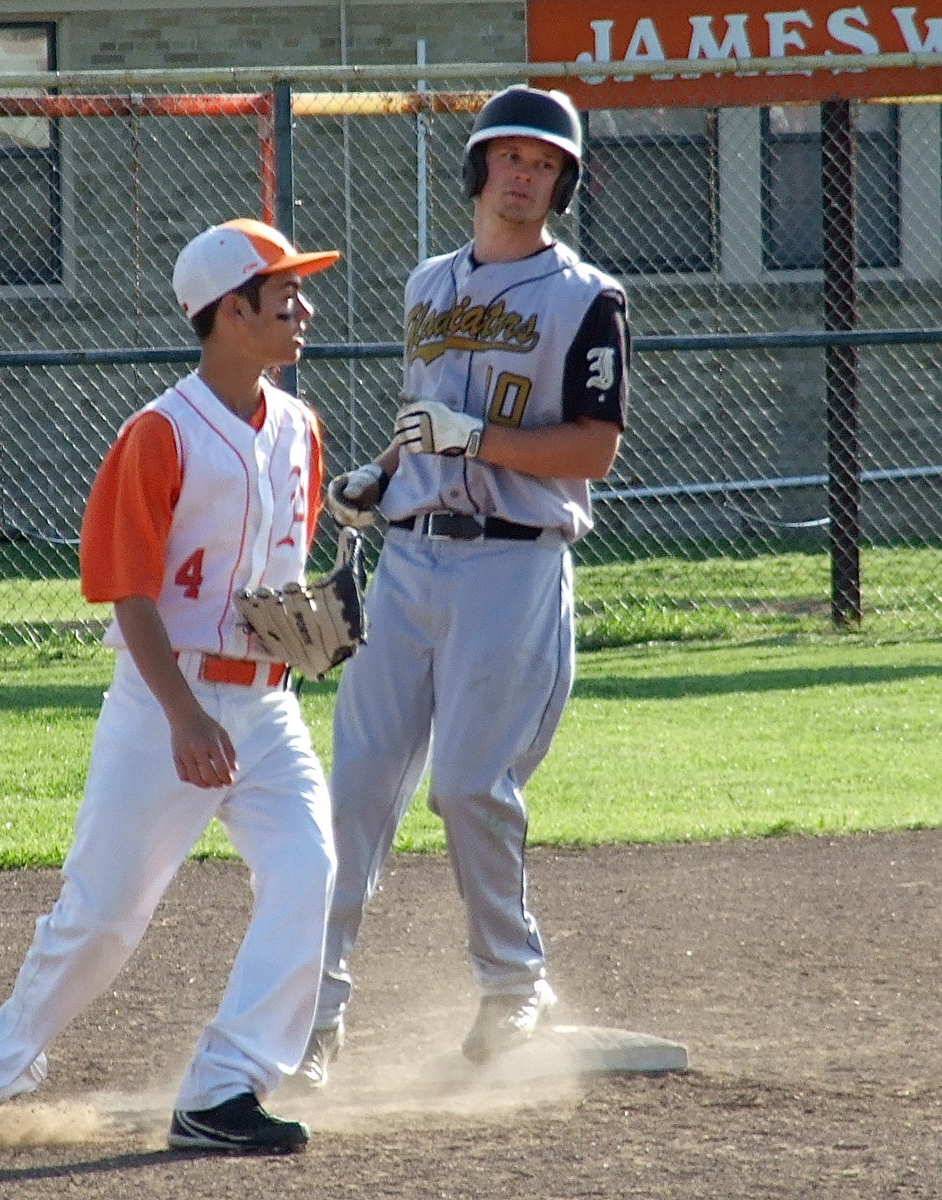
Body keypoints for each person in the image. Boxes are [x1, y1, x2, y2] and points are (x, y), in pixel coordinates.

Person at [0, 218, 341, 1153]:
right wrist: (187, 715)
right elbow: (128, 590)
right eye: (284, 295)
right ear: (231, 311)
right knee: (106, 917)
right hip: (168, 705)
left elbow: (274, 574)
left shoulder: (300, 430)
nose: (303, 308)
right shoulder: (159, 434)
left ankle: (223, 1089)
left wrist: (306, 627)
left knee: (309, 871)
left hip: (268, 705)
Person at [299, 86, 630, 1085]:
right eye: (510, 157)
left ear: (561, 182)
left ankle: (511, 982)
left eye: (545, 163)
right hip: (410, 559)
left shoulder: (587, 297)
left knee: (466, 787)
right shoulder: (428, 285)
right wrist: (378, 480)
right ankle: (311, 1011)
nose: (525, 175)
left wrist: (476, 441)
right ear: (479, 169)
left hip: (510, 562)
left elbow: (597, 448)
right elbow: (423, 422)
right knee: (353, 788)